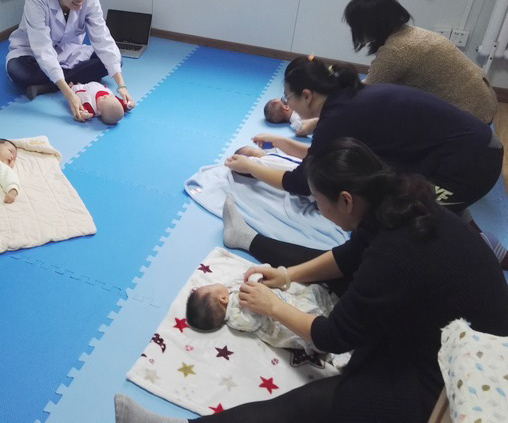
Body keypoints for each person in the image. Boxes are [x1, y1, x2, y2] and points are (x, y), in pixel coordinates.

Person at [114, 138, 508, 423]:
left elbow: (333, 337)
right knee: (331, 268)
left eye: (318, 202)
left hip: (463, 370)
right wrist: (287, 275)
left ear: (346, 200)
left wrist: (274, 307)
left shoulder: (393, 253)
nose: (318, 210)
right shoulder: (393, 199)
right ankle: (248, 240)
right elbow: (349, 256)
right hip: (443, 322)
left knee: (325, 400)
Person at [224, 55, 506, 265]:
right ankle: (479, 238)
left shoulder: (337, 118)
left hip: (471, 163)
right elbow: (324, 156)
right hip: (475, 147)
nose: (288, 104)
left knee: (398, 231)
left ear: (306, 96)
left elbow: (302, 182)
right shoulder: (350, 95)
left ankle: (479, 253)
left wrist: (252, 167)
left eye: (288, 97)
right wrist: (279, 146)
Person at [6, 0, 134, 122]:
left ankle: (46, 86)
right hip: (32, 55)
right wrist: (70, 96)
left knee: (116, 61)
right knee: (19, 73)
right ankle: (66, 82)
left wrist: (121, 86)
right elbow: (43, 50)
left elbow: (102, 37)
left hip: (68, 51)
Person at [344, 0, 497, 124]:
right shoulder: (412, 33)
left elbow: (369, 91)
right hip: (484, 100)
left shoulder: (396, 50)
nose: (353, 29)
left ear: (371, 25)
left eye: (355, 25)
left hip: (470, 116)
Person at [186, 269, 338, 360]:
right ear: (223, 299)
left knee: (312, 294)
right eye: (210, 286)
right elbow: (253, 320)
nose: (215, 283)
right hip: (283, 324)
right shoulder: (235, 318)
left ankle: (330, 311)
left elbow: (239, 282)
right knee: (310, 309)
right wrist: (256, 284)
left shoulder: (231, 295)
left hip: (286, 306)